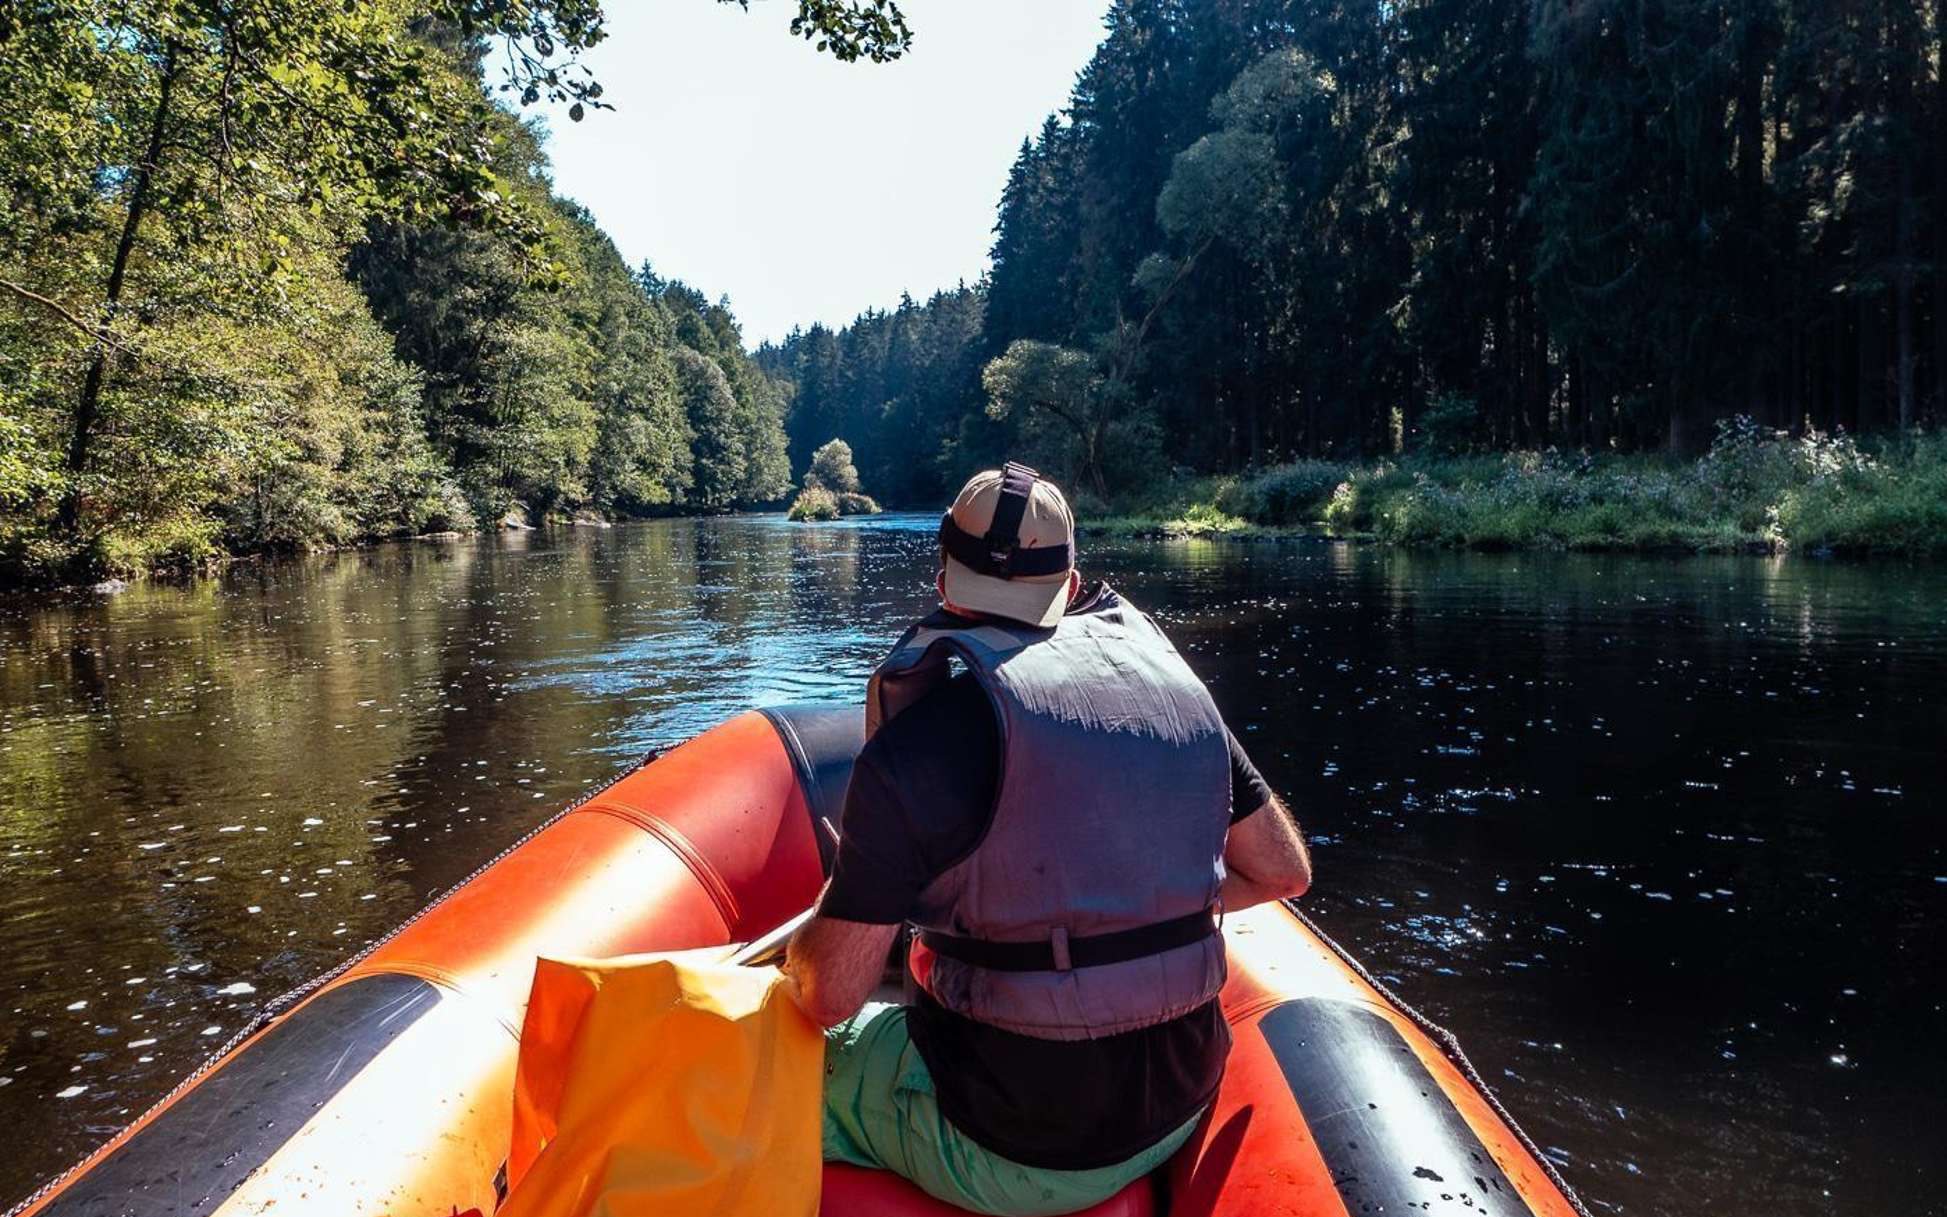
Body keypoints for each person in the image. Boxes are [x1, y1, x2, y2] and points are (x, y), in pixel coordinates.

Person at [784, 463, 1312, 1217]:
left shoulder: (916, 747)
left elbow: (828, 997)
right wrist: (1133, 915)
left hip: (1008, 1143)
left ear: (943, 583)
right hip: (1180, 1104)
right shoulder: (1175, 700)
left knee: (792, 1057)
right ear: (1069, 585)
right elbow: (1284, 872)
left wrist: (813, 933)